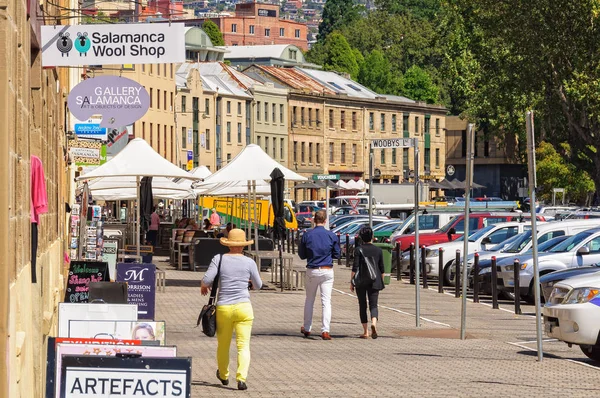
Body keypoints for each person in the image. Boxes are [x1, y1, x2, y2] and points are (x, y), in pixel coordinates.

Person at [201, 229, 263, 391]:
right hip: (244, 307)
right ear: (243, 246)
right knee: (243, 345)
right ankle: (241, 378)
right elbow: (258, 285)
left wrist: (203, 285)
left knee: (223, 344)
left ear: (228, 243)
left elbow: (207, 279)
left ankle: (223, 374)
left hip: (224, 308)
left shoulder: (219, 258)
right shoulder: (249, 262)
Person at [298, 209, 340, 340]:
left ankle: (307, 327)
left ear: (314, 220)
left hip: (312, 269)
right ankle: (325, 330)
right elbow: (337, 254)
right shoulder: (331, 235)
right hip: (327, 270)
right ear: (326, 220)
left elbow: (301, 254)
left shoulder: (307, 235)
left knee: (309, 299)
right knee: (326, 301)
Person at [350, 227, 384, 339]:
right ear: (372, 237)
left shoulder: (358, 249)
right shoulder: (378, 250)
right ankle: (374, 323)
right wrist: (381, 280)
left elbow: (355, 268)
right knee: (373, 305)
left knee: (362, 305)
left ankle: (366, 332)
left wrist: (352, 282)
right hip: (375, 280)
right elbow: (382, 268)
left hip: (361, 281)